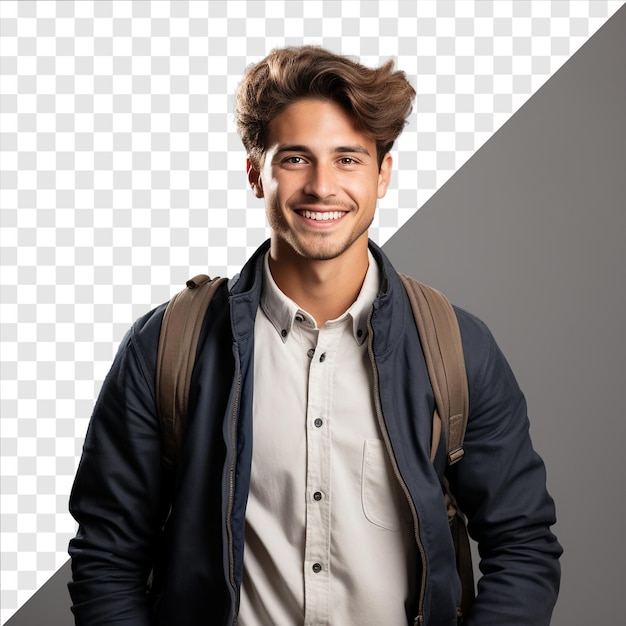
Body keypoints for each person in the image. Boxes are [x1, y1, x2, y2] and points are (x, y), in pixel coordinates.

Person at [68, 46, 562, 625]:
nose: (322, 186)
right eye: (296, 159)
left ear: (383, 174)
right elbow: (107, 557)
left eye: (348, 159)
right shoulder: (166, 346)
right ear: (257, 173)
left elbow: (524, 546)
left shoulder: (454, 348)